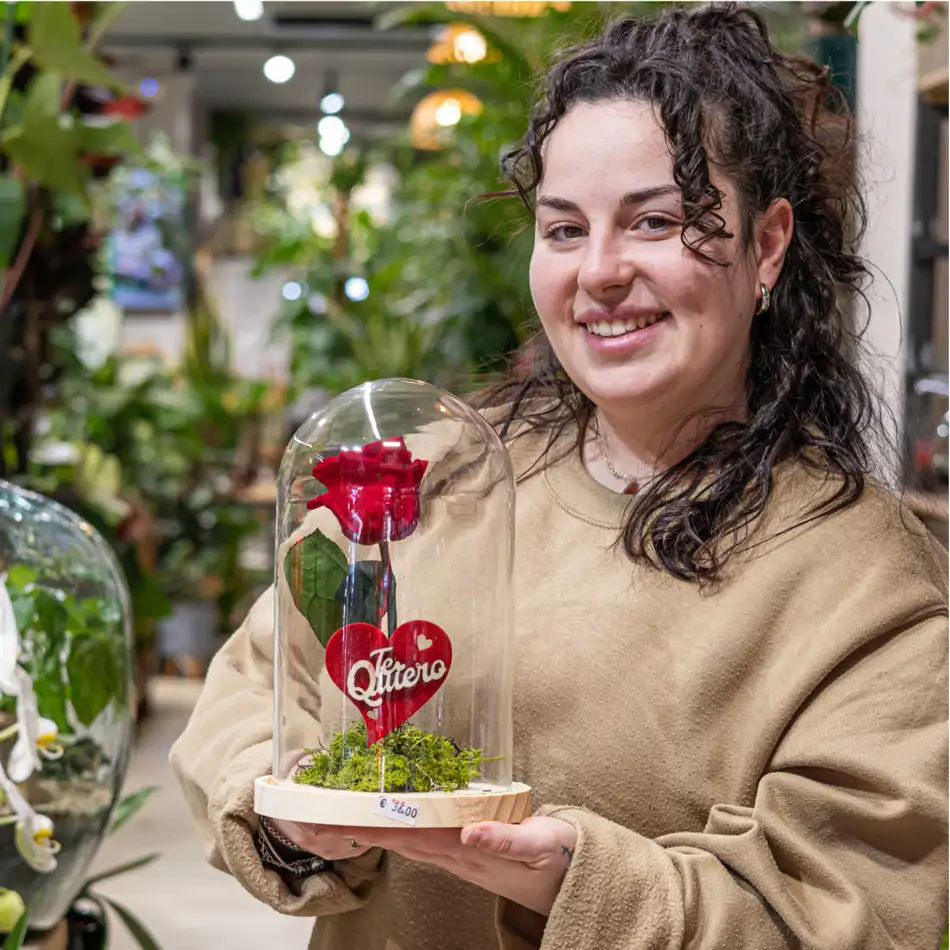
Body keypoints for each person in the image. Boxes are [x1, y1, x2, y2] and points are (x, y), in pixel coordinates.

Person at [169, 5, 949, 949]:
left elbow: (856, 913)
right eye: (565, 228)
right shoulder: (441, 473)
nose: (601, 272)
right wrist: (289, 815)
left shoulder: (867, 586)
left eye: (656, 221)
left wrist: (582, 885)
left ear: (769, 243)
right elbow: (260, 681)